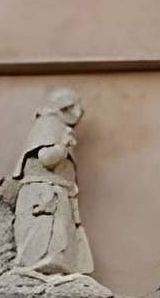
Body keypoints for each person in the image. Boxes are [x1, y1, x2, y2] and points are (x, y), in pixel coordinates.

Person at [6, 89, 96, 284]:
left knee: (60, 235)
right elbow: (46, 158)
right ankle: (36, 271)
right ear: (65, 107)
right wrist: (63, 145)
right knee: (44, 233)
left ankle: (52, 272)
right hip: (44, 191)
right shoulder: (49, 123)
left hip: (55, 191)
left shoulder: (56, 125)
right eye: (75, 105)